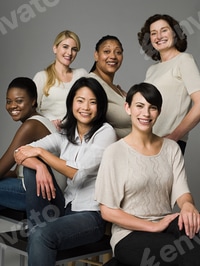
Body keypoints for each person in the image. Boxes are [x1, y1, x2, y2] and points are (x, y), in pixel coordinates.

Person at [14, 77, 117, 266]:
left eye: (92, 102)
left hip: (90, 216)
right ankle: (39, 231)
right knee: (33, 167)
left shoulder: (105, 132)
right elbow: (19, 152)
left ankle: (38, 233)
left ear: (100, 106)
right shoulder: (65, 134)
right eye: (80, 100)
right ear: (71, 104)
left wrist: (42, 153)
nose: (85, 107)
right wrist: (40, 165)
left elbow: (80, 173)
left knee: (39, 235)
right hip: (62, 208)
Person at [95, 82, 200, 266]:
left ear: (158, 112)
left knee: (196, 233)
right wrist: (152, 226)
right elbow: (108, 211)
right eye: (140, 106)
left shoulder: (171, 148)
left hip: (166, 223)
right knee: (184, 252)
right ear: (127, 108)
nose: (146, 113)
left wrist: (188, 206)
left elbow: (182, 192)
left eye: (152, 108)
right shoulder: (115, 152)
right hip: (129, 234)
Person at [137, 14, 200, 154]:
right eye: (153, 33)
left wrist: (174, 136)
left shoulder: (184, 60)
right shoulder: (152, 70)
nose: (159, 36)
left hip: (169, 142)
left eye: (164, 30)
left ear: (175, 33)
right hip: (146, 142)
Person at [0, 77, 57, 211]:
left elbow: (1, 168)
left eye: (19, 101)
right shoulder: (42, 120)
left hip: (40, 194)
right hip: (40, 190)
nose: (12, 106)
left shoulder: (31, 125)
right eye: (8, 101)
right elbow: (16, 173)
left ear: (33, 101)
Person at [33, 30, 88, 130]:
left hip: (75, 131)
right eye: (65, 47)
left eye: (74, 49)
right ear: (55, 48)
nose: (69, 53)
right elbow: (32, 110)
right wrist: (48, 122)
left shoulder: (81, 74)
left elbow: (93, 101)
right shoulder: (41, 77)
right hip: (48, 129)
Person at [88, 35, 131, 139]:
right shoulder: (91, 85)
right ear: (96, 55)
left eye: (118, 52)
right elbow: (90, 127)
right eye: (107, 51)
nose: (113, 56)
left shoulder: (117, 89)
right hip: (116, 151)